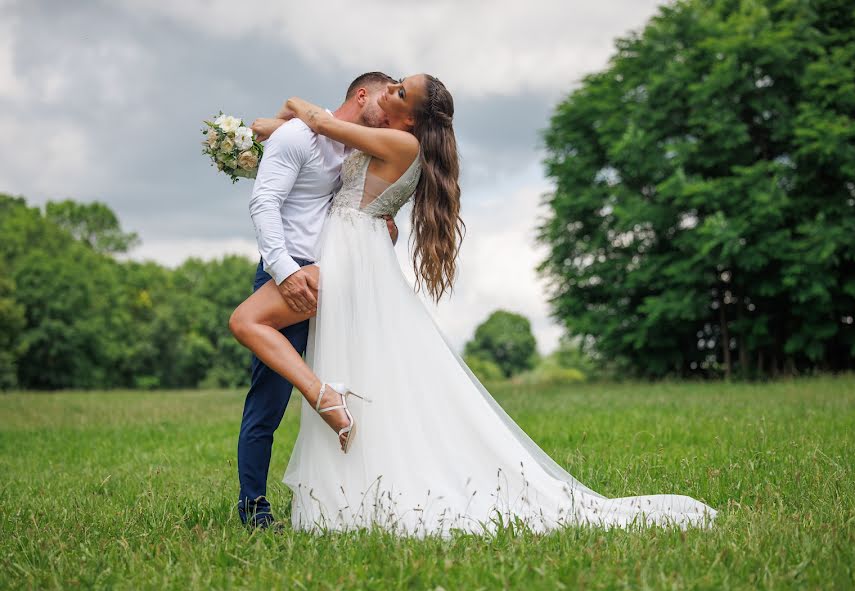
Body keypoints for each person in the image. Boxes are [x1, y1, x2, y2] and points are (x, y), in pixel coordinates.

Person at [230, 74, 718, 535]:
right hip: (348, 248)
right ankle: (336, 463)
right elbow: (307, 141)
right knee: (350, 364)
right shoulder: (390, 142)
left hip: (344, 254)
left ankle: (325, 402)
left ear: (410, 121)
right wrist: (267, 132)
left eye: (399, 92)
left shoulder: (402, 144)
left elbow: (320, 124)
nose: (389, 92)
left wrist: (293, 105)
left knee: (248, 321)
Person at [235, 72, 398, 529]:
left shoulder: (357, 144)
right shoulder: (300, 135)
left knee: (367, 380)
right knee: (268, 401)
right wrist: (284, 272)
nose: (392, 115)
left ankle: (361, 497)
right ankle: (254, 508)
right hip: (291, 275)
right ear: (363, 95)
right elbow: (264, 203)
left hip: (339, 278)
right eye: (388, 101)